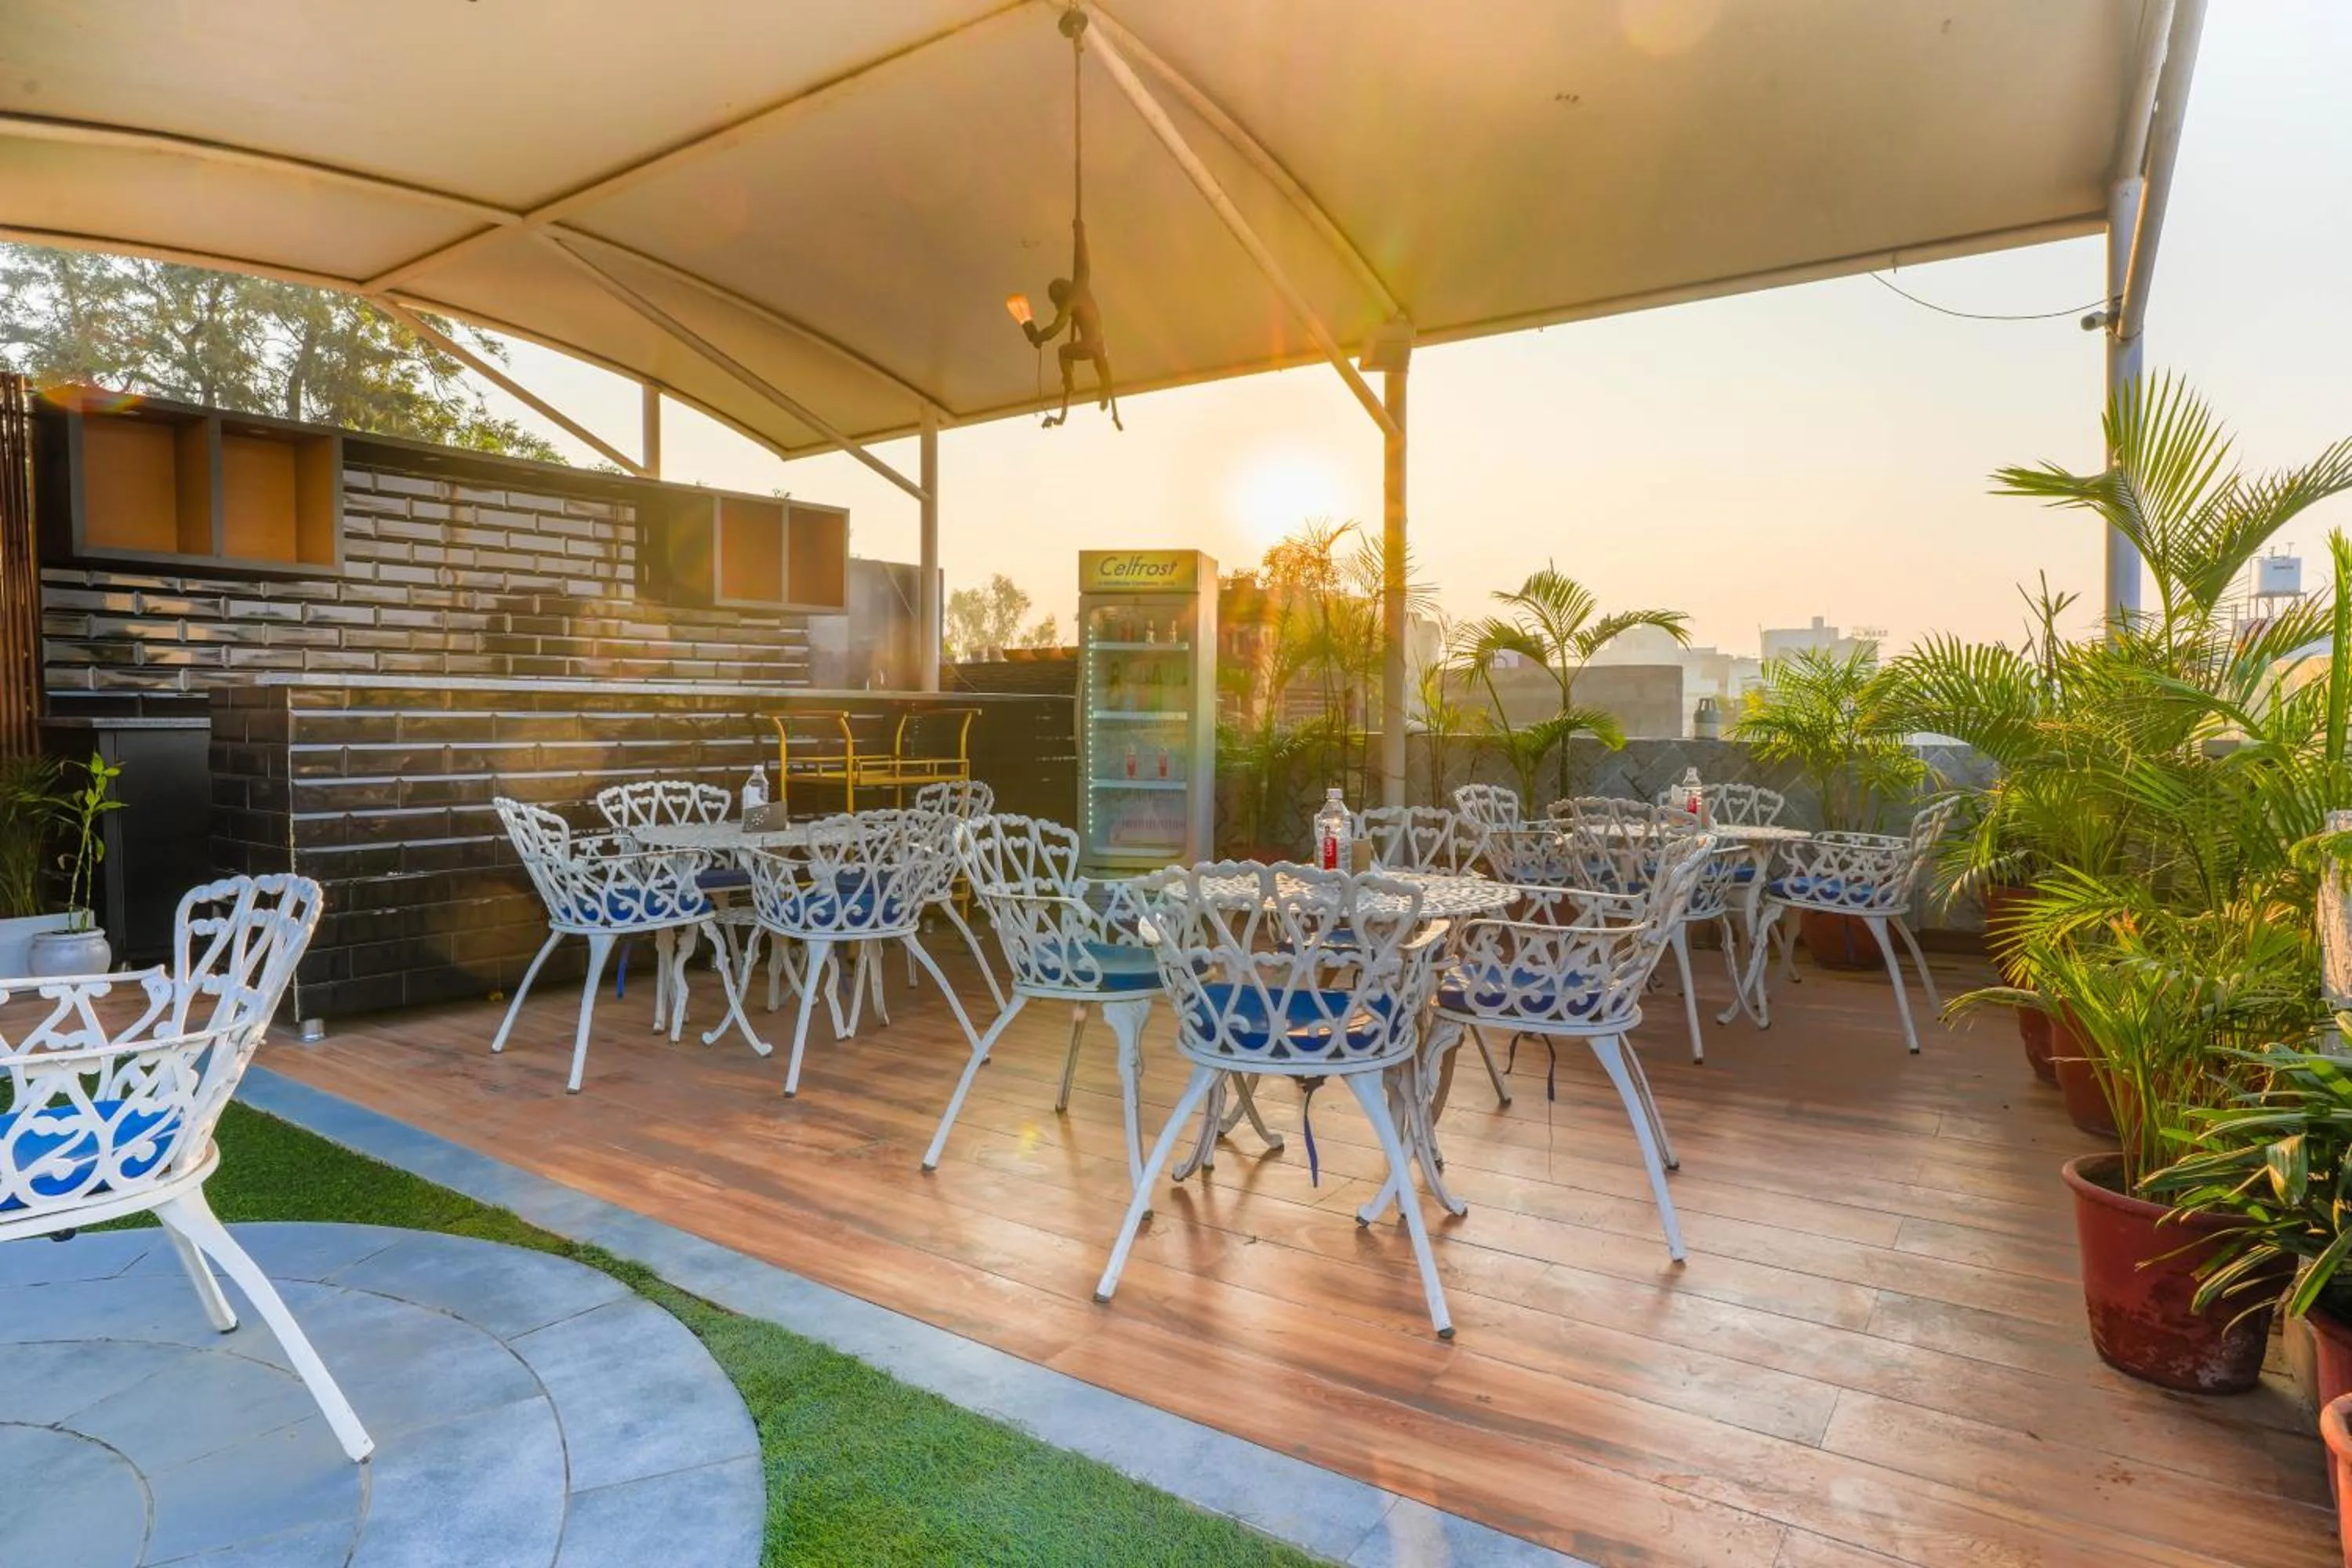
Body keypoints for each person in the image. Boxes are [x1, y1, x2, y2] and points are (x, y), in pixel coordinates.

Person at [1024, 216, 1121, 430]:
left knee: (1063, 351)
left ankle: (1069, 383)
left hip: (1089, 346)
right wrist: (1080, 232)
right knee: (1102, 371)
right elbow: (1083, 261)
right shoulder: (1081, 284)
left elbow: (1056, 327)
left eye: (1055, 300)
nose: (1056, 305)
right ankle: (1103, 392)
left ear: (1060, 293)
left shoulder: (1071, 300)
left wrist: (1039, 337)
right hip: (1100, 346)